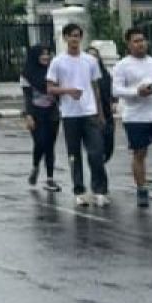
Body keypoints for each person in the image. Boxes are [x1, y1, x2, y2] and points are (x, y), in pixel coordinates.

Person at [111, 27, 152, 208]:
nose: (140, 44)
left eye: (142, 40)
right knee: (140, 153)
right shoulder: (122, 66)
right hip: (135, 117)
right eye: (136, 41)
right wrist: (137, 92)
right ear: (129, 44)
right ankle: (141, 189)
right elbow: (116, 90)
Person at [47, 24, 109, 207]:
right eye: (71, 36)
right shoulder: (58, 62)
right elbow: (50, 88)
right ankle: (79, 190)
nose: (75, 39)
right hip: (70, 114)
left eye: (77, 36)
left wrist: (100, 112)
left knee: (96, 153)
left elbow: (95, 87)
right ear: (65, 38)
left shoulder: (90, 60)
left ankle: (100, 190)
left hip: (89, 112)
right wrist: (67, 91)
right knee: (74, 154)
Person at [20, 44, 61, 192]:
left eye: (48, 54)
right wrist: (28, 115)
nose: (46, 57)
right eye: (42, 54)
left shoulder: (54, 71)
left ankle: (50, 179)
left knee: (50, 145)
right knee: (40, 142)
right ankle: (36, 167)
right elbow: (27, 97)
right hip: (35, 113)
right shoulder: (27, 74)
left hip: (52, 112)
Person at [88, 46, 116, 164]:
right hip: (91, 113)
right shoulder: (84, 74)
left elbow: (111, 89)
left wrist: (114, 102)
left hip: (106, 110)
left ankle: (102, 160)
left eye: (95, 55)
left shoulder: (105, 74)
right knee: (96, 145)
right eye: (90, 56)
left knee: (108, 142)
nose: (93, 59)